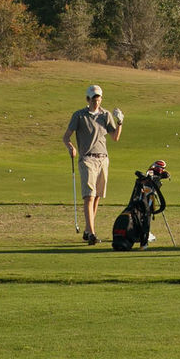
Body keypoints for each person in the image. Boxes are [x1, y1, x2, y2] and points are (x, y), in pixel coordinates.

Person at [64, 84, 123, 244]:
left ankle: (87, 231)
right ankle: (92, 234)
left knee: (97, 196)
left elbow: (115, 137)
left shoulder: (105, 115)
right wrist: (71, 147)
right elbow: (66, 137)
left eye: (98, 98)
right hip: (87, 159)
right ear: (87, 99)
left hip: (103, 158)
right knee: (89, 197)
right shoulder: (79, 115)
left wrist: (120, 122)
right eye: (93, 99)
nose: (96, 102)